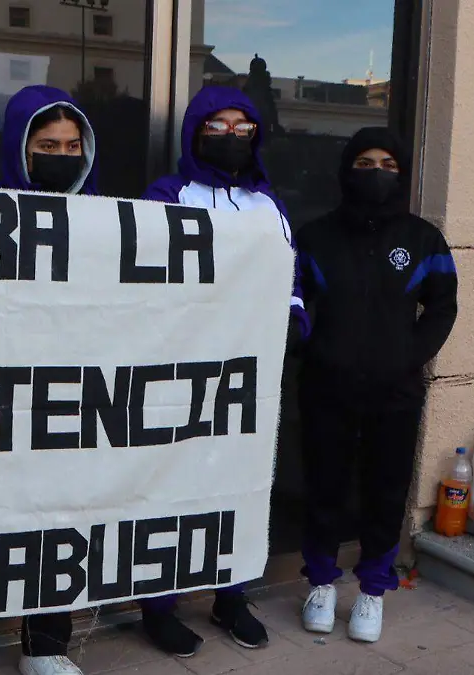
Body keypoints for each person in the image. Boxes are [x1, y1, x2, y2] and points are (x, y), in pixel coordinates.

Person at [137, 85, 310, 657]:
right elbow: (142, 271)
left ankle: (230, 595)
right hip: (178, 367)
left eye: (244, 126)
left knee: (239, 484)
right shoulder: (167, 193)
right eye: (219, 125)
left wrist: (294, 320)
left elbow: (290, 278)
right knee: (170, 485)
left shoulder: (270, 203)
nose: (232, 136)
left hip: (249, 375)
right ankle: (158, 606)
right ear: (195, 130)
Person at [294, 127, 458, 643]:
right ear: (346, 171)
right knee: (324, 487)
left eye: (387, 163)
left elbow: (442, 306)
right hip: (326, 386)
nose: (376, 172)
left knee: (386, 491)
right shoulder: (316, 235)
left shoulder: (423, 239)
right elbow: (291, 295)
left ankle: (372, 590)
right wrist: (309, 346)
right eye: (364, 163)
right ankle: (321, 583)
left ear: (402, 173)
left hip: (395, 391)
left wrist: (407, 356)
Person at [0, 84, 100, 675]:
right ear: (21, 147)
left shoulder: (106, 222)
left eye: (71, 144)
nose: (61, 153)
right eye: (47, 143)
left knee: (55, 519)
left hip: (70, 396)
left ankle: (45, 645)